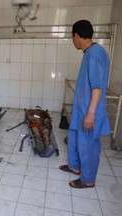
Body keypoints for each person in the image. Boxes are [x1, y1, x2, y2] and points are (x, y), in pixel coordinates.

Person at [59, 20, 111, 189]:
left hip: (89, 111)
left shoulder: (95, 53)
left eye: (72, 37)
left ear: (77, 36)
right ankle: (75, 167)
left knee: (88, 145)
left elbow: (97, 86)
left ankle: (88, 180)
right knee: (74, 136)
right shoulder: (90, 53)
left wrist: (91, 113)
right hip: (81, 111)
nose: (73, 40)